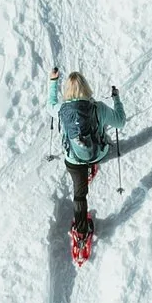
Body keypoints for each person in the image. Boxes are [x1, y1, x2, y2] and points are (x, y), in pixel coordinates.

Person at [51, 67, 126, 242]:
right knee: (102, 134)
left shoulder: (61, 110)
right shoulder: (98, 108)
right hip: (97, 154)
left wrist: (53, 81)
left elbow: (50, 103)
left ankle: (82, 232)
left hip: (73, 161)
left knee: (79, 194)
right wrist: (117, 99)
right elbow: (120, 122)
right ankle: (91, 162)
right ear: (86, 87)